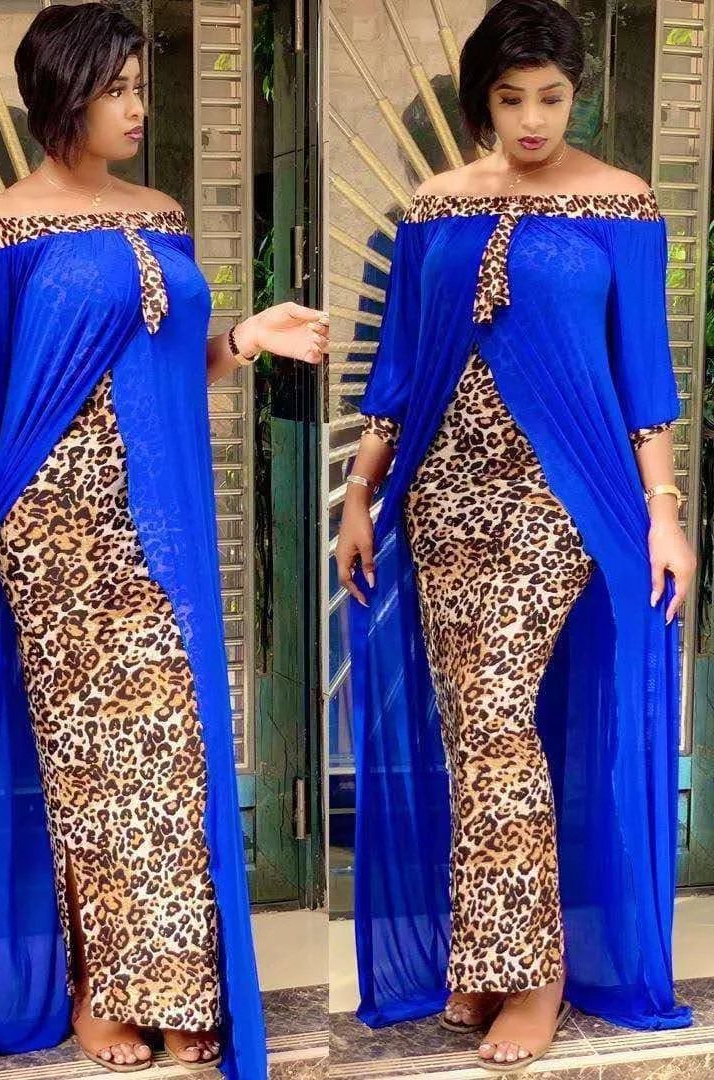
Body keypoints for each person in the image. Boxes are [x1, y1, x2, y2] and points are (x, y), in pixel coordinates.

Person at [0, 5, 328, 1078]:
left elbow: (170, 364)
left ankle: (177, 987)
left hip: (162, 521)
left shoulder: (161, 216)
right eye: (118, 89)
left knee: (173, 757)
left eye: (141, 86)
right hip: (57, 532)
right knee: (91, 767)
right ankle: (101, 992)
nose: (139, 108)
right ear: (64, 96)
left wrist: (245, 336)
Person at [336, 0, 696, 1072]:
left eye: (550, 97)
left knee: (496, 718)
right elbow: (399, 366)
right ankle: (491, 955)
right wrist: (359, 494)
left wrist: (664, 513)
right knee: (473, 726)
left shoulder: (620, 202)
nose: (532, 119)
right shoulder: (436, 206)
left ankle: (533, 977)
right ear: (480, 101)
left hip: (561, 492)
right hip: (445, 492)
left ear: (575, 95)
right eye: (509, 98)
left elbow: (644, 375)